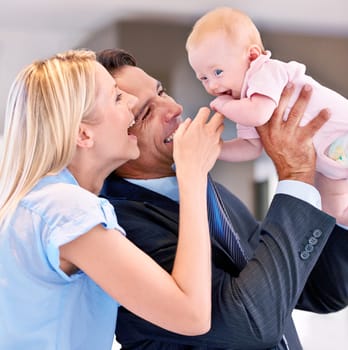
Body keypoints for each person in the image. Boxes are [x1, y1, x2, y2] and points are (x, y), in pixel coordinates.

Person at [97, 48, 348, 350]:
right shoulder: (117, 229)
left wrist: (333, 201)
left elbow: (320, 292)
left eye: (161, 91)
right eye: (146, 112)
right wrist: (294, 176)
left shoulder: (208, 192)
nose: (174, 108)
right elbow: (251, 324)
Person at [0, 49, 226, 349]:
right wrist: (192, 175)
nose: (131, 104)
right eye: (117, 97)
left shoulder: (38, 202)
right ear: (83, 135)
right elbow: (192, 316)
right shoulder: (66, 209)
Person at [185, 7, 348, 226]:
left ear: (252, 56)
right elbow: (251, 147)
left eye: (218, 72)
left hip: (341, 134)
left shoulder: (264, 71)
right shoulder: (245, 102)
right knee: (335, 215)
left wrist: (222, 105)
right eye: (203, 78)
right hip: (331, 167)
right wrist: (218, 148)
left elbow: (259, 114)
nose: (212, 86)